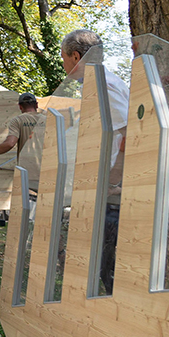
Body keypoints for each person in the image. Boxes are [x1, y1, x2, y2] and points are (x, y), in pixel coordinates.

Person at [60, 29, 130, 295]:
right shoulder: (100, 84)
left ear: (76, 56)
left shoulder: (104, 86)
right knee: (101, 265)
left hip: (112, 196)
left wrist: (111, 183)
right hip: (107, 191)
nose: (64, 65)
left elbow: (128, 135)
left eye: (64, 58)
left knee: (107, 268)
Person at [0, 92, 42, 165]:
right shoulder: (48, 119)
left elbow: (10, 143)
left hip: (27, 167)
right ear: (36, 105)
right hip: (49, 167)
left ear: (20, 106)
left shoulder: (18, 120)